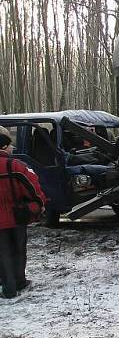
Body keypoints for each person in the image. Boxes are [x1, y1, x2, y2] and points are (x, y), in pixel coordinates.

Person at [0, 125, 47, 298]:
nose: (13, 148)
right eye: (11, 146)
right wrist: (40, 203)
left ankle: (8, 287)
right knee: (19, 249)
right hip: (17, 215)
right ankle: (20, 281)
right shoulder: (15, 166)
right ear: (4, 147)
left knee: (2, 253)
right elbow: (32, 187)